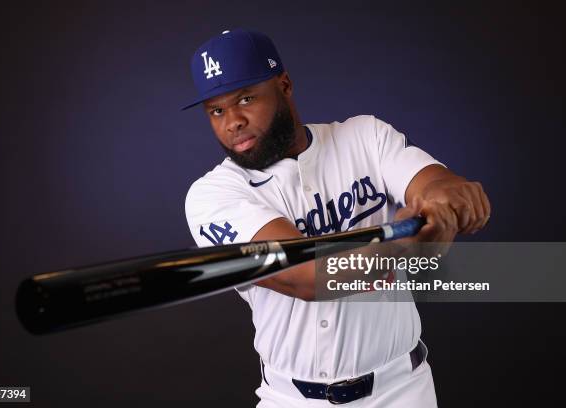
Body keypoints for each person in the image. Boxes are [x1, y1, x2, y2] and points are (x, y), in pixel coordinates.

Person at [183, 29, 490, 407]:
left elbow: (430, 183)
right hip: (291, 399)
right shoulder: (212, 195)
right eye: (216, 110)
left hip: (401, 391)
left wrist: (447, 196)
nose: (233, 121)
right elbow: (307, 275)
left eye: (245, 98)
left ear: (284, 85)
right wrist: (403, 249)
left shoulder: (364, 137)